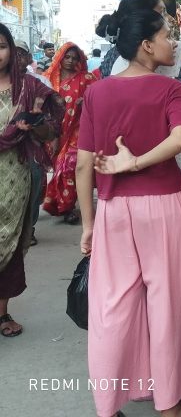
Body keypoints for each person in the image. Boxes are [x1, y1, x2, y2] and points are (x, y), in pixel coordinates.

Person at [76, 8, 181, 417]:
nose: (174, 42)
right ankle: (170, 405)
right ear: (147, 45)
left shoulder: (97, 93)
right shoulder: (173, 90)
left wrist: (88, 224)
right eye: (168, 35)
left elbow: (83, 165)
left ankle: (107, 403)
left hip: (113, 209)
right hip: (165, 206)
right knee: (167, 302)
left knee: (113, 306)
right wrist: (135, 163)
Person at [0, 24, 63, 337]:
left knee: (9, 242)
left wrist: (34, 125)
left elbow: (50, 131)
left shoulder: (29, 87)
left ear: (11, 50)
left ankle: (2, 314)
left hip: (14, 176)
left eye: (1, 46)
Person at [41, 43, 97, 223]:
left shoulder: (86, 78)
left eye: (75, 58)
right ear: (60, 57)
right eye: (67, 57)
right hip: (54, 132)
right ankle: (59, 203)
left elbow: (98, 99)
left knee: (69, 165)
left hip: (78, 130)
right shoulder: (48, 79)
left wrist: (85, 102)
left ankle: (68, 207)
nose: (71, 61)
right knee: (57, 168)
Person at [15, 44, 52, 246]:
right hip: (6, 148)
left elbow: (51, 120)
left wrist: (36, 123)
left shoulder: (40, 82)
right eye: (14, 52)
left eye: (22, 53)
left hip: (33, 145)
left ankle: (29, 228)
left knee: (34, 187)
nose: (17, 57)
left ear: (29, 57)